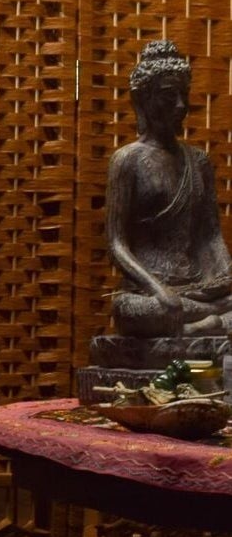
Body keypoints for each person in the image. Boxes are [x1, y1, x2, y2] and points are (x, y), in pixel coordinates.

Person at [107, 40, 232, 339]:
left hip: (199, 289)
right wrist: (157, 288)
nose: (179, 105)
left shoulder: (198, 161)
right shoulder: (127, 160)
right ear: (143, 100)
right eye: (168, 96)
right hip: (150, 290)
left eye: (183, 95)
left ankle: (201, 328)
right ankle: (209, 327)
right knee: (133, 310)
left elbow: (210, 235)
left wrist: (226, 275)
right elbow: (116, 243)